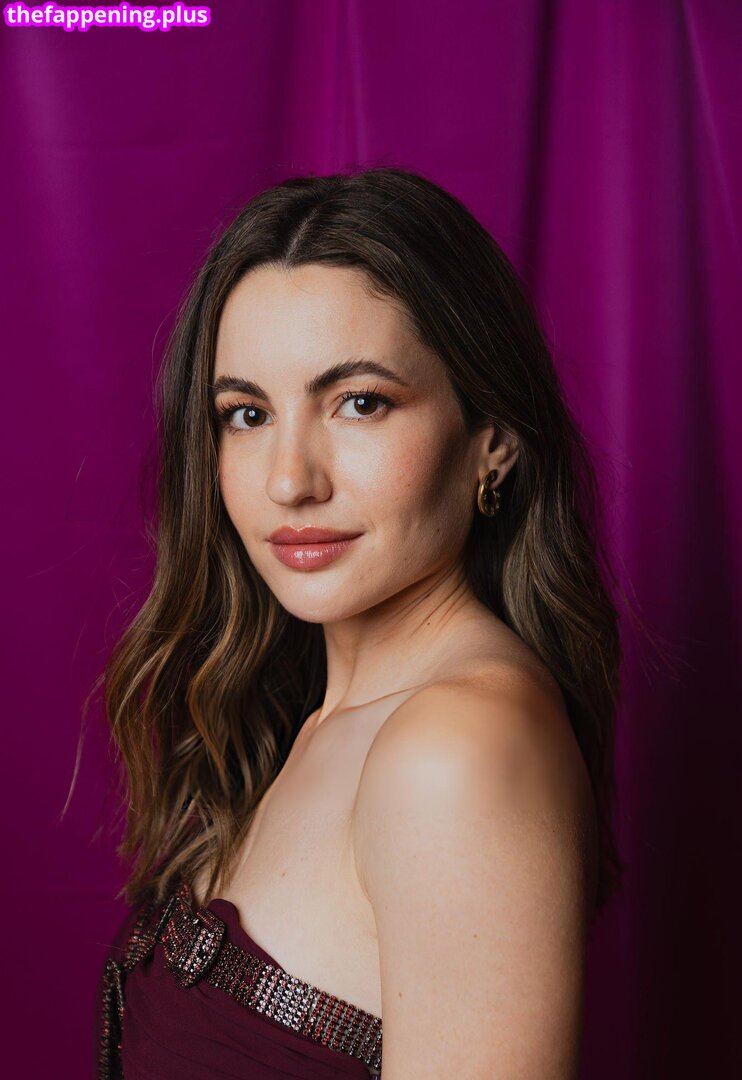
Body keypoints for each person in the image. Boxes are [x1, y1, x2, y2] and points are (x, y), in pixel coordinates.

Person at [93, 166, 623, 1079]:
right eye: (246, 414)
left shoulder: (454, 750)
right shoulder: (320, 718)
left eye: (360, 403)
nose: (290, 480)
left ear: (492, 441)